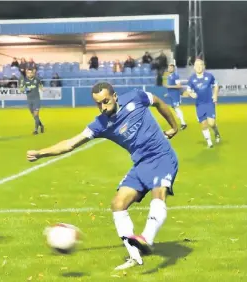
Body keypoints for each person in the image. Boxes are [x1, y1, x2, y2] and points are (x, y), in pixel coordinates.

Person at [26, 82, 179, 270]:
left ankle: (147, 238)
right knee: (118, 204)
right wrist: (41, 153)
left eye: (105, 101)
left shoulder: (135, 97)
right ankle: (135, 256)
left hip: (162, 157)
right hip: (141, 164)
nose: (102, 106)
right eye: (98, 103)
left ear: (115, 96)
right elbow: (70, 144)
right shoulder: (100, 124)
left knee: (159, 193)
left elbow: (158, 102)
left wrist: (174, 127)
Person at [187, 59, 221, 148]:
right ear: (194, 67)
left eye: (200, 64)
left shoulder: (209, 76)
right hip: (199, 105)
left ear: (204, 66)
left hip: (209, 103)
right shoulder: (191, 78)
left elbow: (216, 85)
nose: (198, 66)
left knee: (211, 123)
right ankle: (209, 142)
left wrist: (215, 95)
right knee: (203, 124)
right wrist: (191, 94)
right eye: (196, 65)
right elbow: (188, 90)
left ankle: (216, 133)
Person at [19, 67, 44, 135]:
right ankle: (41, 125)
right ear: (27, 74)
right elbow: (21, 90)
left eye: (31, 73)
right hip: (29, 100)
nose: (29, 74)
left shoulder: (37, 79)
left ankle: (35, 130)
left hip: (36, 99)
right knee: (34, 116)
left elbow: (41, 86)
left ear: (33, 73)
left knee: (36, 114)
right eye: (28, 73)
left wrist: (42, 89)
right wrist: (26, 89)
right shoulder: (24, 80)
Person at [165, 64, 187, 130]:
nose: (169, 69)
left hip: (175, 95)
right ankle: (179, 117)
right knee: (174, 108)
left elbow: (179, 86)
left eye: (170, 68)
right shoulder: (169, 76)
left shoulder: (176, 76)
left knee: (177, 108)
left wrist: (169, 87)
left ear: (173, 69)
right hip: (171, 95)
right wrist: (168, 93)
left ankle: (183, 123)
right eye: (168, 67)